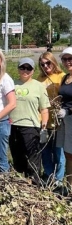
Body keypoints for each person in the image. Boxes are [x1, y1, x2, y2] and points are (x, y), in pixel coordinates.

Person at [9, 58, 50, 185]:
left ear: (33, 71)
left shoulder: (39, 86)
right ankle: (20, 182)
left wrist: (44, 127)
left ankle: (35, 182)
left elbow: (44, 109)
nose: (25, 70)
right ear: (18, 69)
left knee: (33, 157)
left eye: (28, 68)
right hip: (13, 125)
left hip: (31, 126)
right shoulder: (12, 84)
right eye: (22, 67)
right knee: (17, 155)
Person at [37, 52, 66, 185]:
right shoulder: (39, 79)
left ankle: (59, 179)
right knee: (45, 149)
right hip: (44, 118)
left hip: (59, 118)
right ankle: (49, 174)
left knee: (58, 150)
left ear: (53, 62)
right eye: (42, 64)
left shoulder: (62, 77)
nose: (45, 66)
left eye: (48, 63)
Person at [56, 47, 72, 191]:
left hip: (70, 118)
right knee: (67, 154)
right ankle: (69, 186)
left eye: (70, 59)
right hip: (64, 120)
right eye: (65, 59)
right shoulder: (65, 78)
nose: (67, 62)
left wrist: (68, 110)